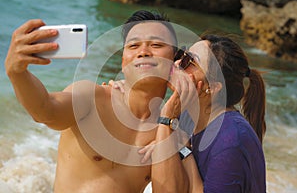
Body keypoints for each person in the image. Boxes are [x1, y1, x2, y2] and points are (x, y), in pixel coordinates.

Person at [5, 10, 188, 192]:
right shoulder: (92, 98)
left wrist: (169, 130)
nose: (143, 52)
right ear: (124, 62)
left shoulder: (170, 128)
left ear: (175, 60)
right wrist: (17, 73)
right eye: (133, 46)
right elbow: (45, 110)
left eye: (156, 44)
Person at [146, 34, 267, 192]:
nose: (176, 63)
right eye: (182, 54)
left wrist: (182, 146)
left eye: (189, 61)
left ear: (213, 87)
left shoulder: (231, 141)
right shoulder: (188, 116)